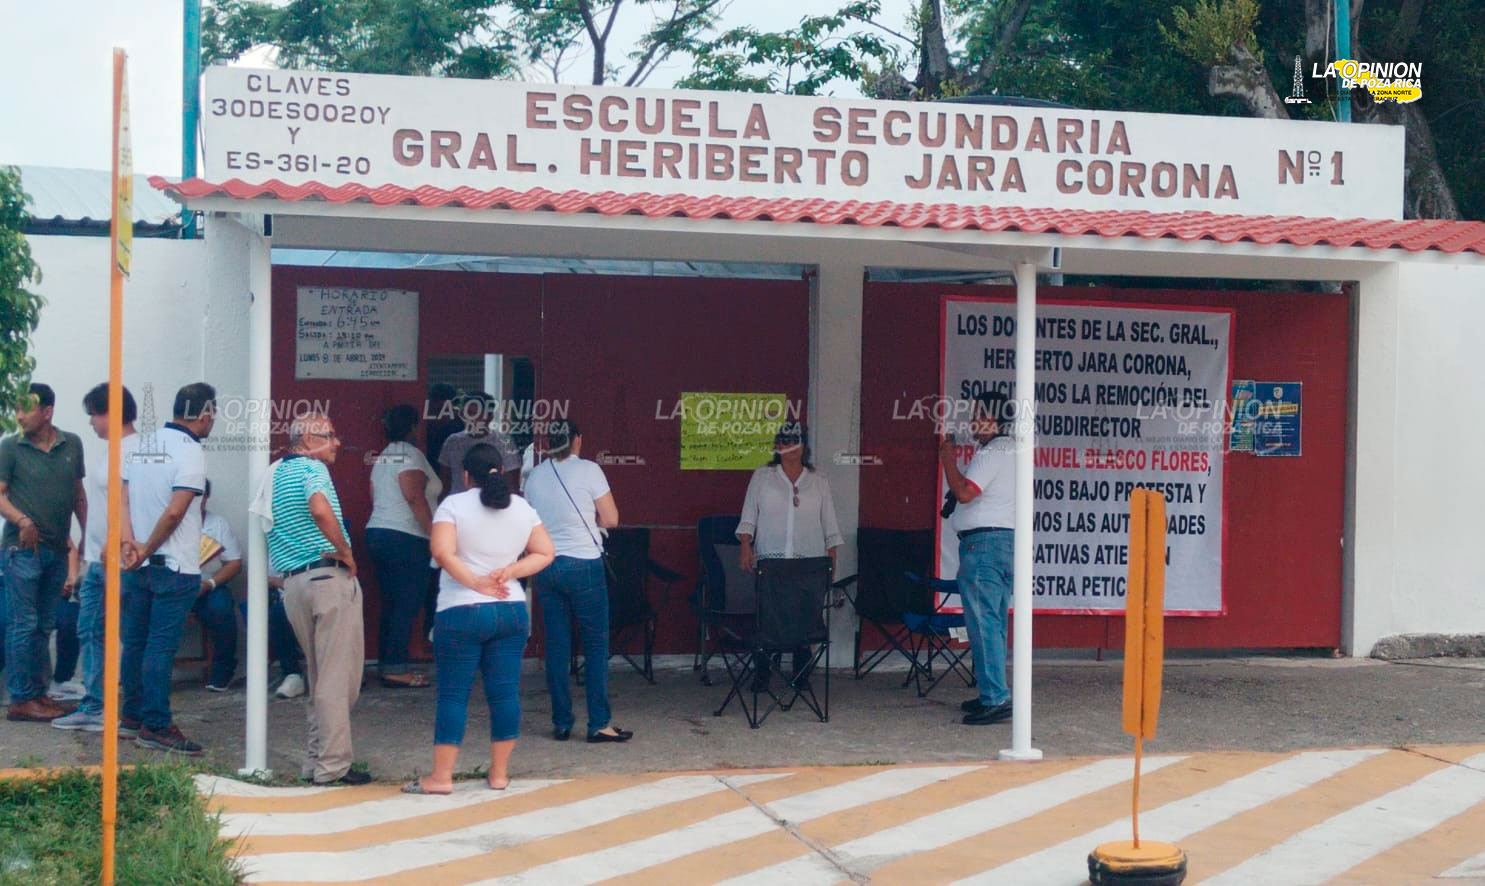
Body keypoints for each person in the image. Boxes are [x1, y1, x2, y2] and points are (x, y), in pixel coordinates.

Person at [403, 443, 554, 795]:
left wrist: (474, 582)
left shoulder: (453, 505)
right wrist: (510, 572)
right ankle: (499, 775)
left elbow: (441, 552)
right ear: (500, 470)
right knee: (505, 695)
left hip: (461, 611)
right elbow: (546, 552)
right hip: (511, 609)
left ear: (466, 475)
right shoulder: (523, 507)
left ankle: (441, 778)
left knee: (453, 696)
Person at [263, 411, 370, 785]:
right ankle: (333, 765)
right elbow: (319, 508)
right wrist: (345, 550)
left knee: (319, 675)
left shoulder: (274, 473)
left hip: (294, 585)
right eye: (330, 435)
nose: (337, 443)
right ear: (308, 440)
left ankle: (316, 759)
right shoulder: (313, 469)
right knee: (339, 678)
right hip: (327, 578)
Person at [118, 382, 214, 754]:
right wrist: (146, 547)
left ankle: (132, 717)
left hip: (139, 565)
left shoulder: (143, 444)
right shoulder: (190, 451)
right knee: (160, 647)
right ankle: (156, 725)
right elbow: (176, 512)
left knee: (136, 644)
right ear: (204, 414)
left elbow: (123, 500)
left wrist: (131, 545)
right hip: (174, 566)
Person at [522, 419, 632, 744]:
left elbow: (529, 523)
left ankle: (561, 723)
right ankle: (598, 723)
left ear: (548, 443)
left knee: (557, 646)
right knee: (595, 646)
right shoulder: (590, 470)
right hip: (584, 564)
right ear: (577, 441)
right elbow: (611, 518)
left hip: (547, 565)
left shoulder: (535, 476)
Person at [54, 384, 139, 730]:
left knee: (123, 633)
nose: (90, 422)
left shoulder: (134, 452)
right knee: (90, 630)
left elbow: (133, 504)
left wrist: (117, 541)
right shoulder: (112, 452)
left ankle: (123, 709)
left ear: (112, 413)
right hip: (98, 561)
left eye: (94, 414)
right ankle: (96, 704)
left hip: (119, 561)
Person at [0, 383, 86, 723]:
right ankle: (21, 699)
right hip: (21, 551)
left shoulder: (72, 444)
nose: (19, 416)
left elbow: (78, 495)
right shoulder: (10, 447)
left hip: (57, 549)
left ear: (47, 411)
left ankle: (39, 694)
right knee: (23, 624)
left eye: (26, 409)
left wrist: (88, 535)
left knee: (44, 625)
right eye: (17, 409)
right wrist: (22, 520)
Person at [736, 422, 843, 690]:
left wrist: (832, 560)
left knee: (805, 618)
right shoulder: (763, 476)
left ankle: (801, 675)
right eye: (785, 441)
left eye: (795, 441)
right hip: (771, 563)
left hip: (809, 562)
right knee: (769, 618)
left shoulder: (818, 480)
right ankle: (762, 674)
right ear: (777, 446)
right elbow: (749, 515)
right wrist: (746, 545)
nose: (790, 447)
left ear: (804, 446)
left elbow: (829, 524)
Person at [938, 391, 1016, 726]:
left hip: (983, 547)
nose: (972, 422)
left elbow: (965, 492)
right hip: (1000, 544)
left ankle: (995, 697)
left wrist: (948, 460)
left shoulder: (994, 452)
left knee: (983, 624)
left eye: (977, 416)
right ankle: (992, 691)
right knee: (993, 624)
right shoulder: (1009, 450)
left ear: (993, 419)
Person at [366, 404, 440, 689]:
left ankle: (388, 664)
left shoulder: (384, 456)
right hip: (406, 537)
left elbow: (375, 495)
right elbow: (414, 496)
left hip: (379, 532)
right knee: (407, 603)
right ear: (414, 427)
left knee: (392, 603)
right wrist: (435, 535)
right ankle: (396, 668)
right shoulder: (410, 455)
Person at [195, 480, 241, 692]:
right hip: (176, 587)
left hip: (209, 586)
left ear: (207, 497)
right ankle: (155, 675)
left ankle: (222, 673)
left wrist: (210, 584)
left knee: (221, 608)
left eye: (200, 495)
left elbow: (234, 562)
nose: (195, 501)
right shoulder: (170, 521)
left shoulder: (217, 524)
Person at [438, 392, 522, 497]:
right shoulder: (452, 442)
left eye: (477, 413)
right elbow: (444, 483)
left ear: (490, 417)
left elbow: (512, 485)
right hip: (458, 503)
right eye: (468, 413)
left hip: (494, 503)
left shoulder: (504, 442)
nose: (472, 418)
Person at [265, 570, 306, 699]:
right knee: (276, 613)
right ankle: (293, 674)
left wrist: (282, 583)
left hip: (314, 593)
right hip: (282, 600)